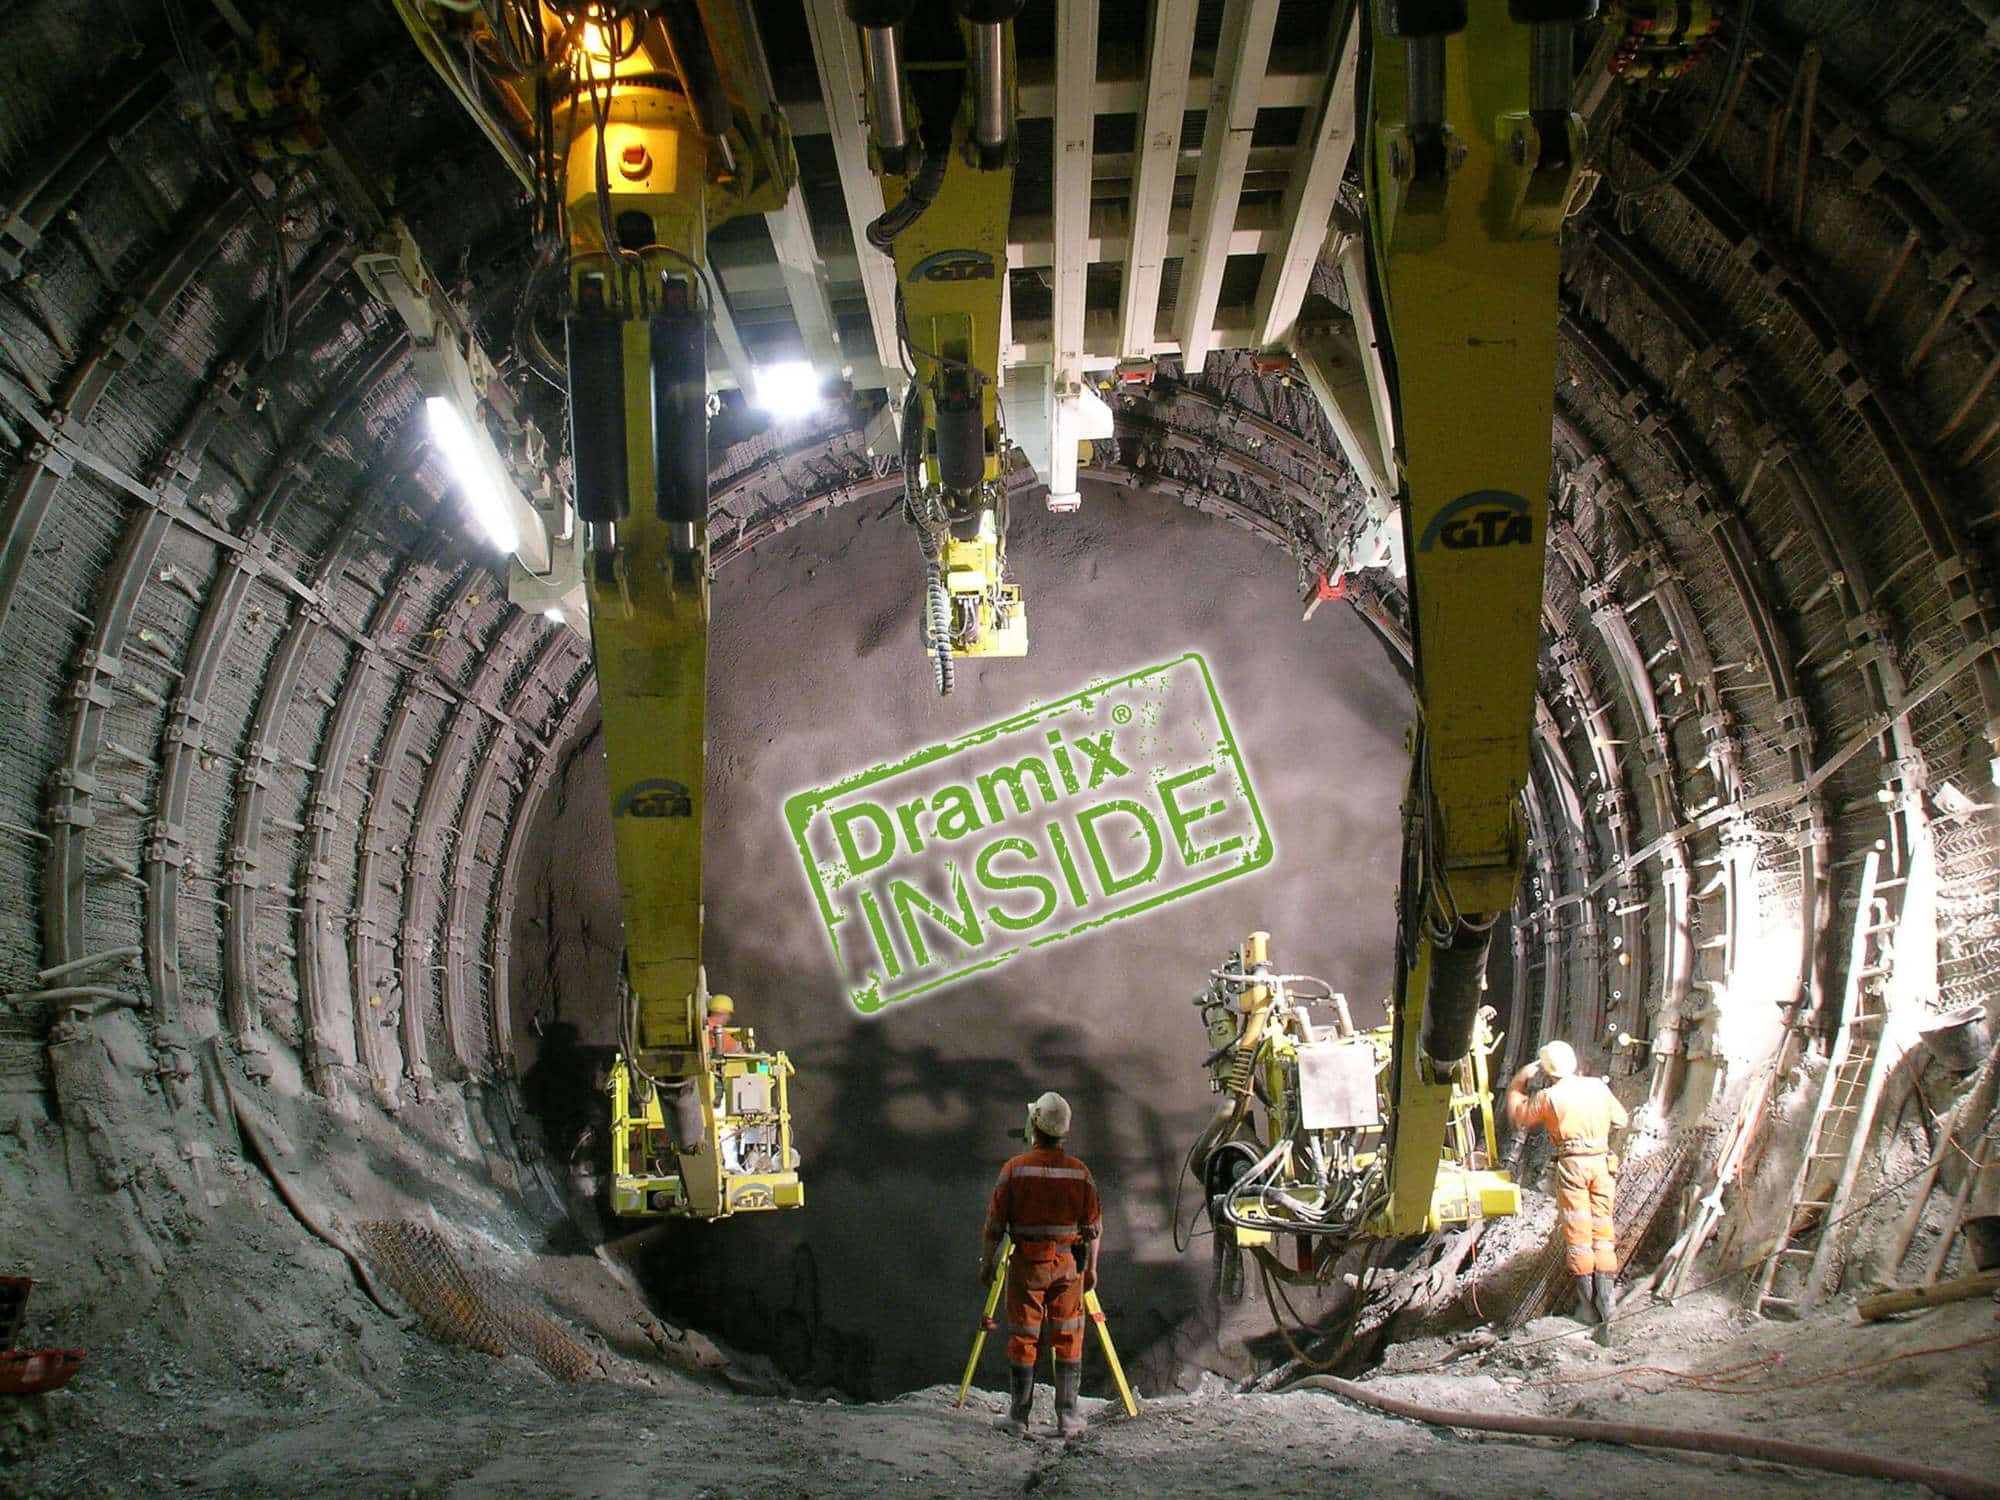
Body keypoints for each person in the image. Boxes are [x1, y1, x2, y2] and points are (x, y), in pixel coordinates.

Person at [979, 1091, 1102, 1438]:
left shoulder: (1014, 1170)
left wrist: (986, 1263)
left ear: (1035, 1125)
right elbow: (1094, 1227)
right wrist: (1091, 1268)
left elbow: (994, 1226)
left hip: (1027, 1266)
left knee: (1023, 1338)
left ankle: (1019, 1417)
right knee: (1068, 1337)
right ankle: (1068, 1418)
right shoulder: (1080, 1173)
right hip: (1068, 1265)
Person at [1507, 1040, 1629, 1330]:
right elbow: (1621, 1120)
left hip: (1573, 1165)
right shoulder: (1598, 1087)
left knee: (1579, 1234)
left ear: (1548, 1070)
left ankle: (1587, 1308)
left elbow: (1519, 1117)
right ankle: (1608, 1302)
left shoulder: (1549, 1097)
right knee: (1603, 1229)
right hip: (1601, 1162)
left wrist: (1517, 1083)